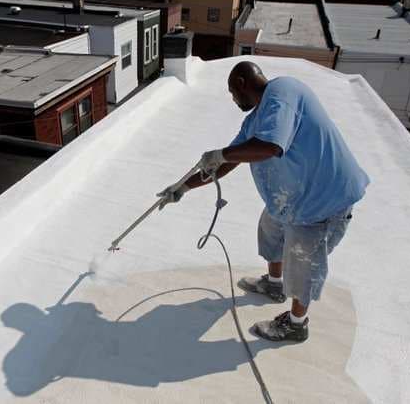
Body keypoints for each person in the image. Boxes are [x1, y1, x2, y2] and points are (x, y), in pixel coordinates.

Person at [158, 61, 369, 342]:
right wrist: (182, 187)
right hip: (294, 200)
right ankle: (273, 285)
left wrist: (222, 153)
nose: (233, 100)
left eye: (232, 93)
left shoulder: (283, 92)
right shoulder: (256, 120)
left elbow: (270, 146)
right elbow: (227, 163)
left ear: (243, 83)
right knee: (270, 229)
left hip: (323, 201)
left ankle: (296, 324)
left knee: (302, 262)